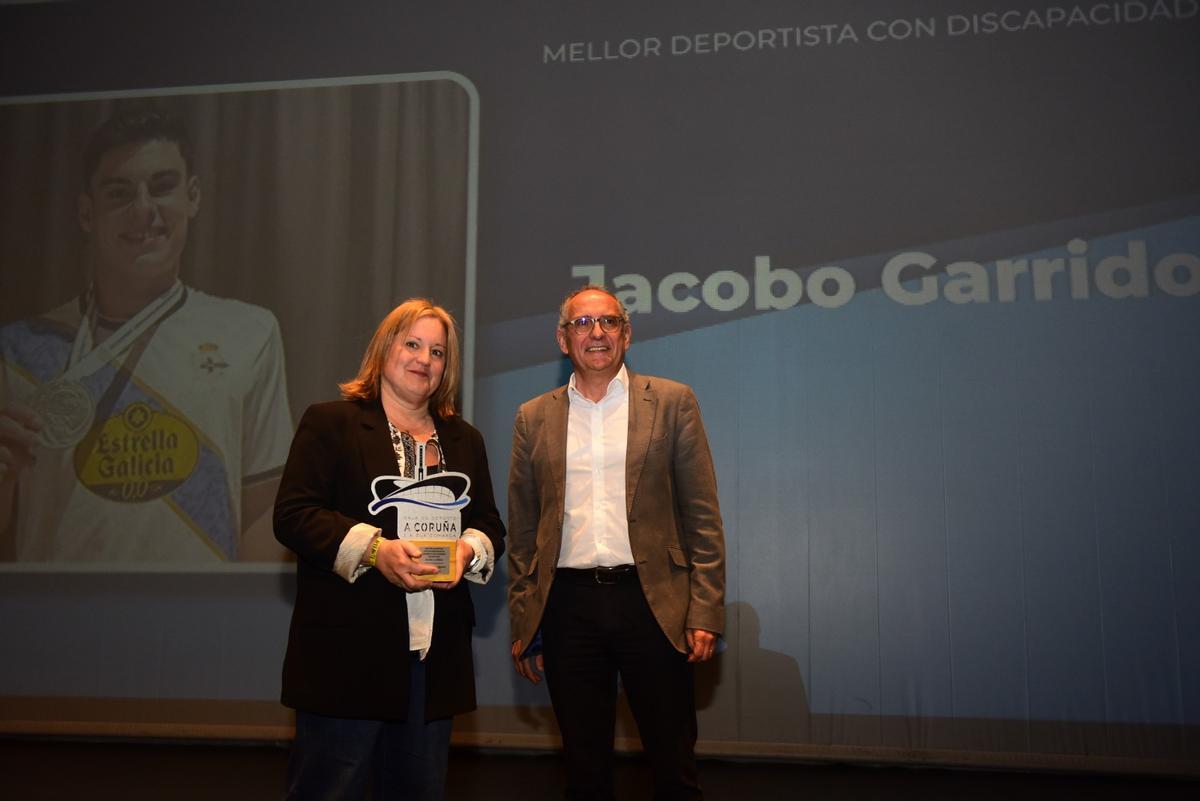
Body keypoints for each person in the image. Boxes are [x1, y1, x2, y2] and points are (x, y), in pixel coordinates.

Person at [0, 106, 293, 562]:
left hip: (196, 623)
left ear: (192, 196)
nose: (143, 211)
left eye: (162, 187)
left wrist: (243, 625)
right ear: (85, 212)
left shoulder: (249, 333)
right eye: (119, 193)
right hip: (55, 623)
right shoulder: (17, 351)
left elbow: (265, 512)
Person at [274, 298, 505, 801]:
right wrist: (376, 551)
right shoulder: (331, 423)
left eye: (438, 352)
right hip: (344, 656)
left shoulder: (465, 440)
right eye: (413, 344)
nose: (425, 359)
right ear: (385, 350)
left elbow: (488, 523)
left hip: (433, 657)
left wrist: (468, 552)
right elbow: (294, 515)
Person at [507, 285, 725, 801]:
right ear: (563, 340)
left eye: (608, 322)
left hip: (655, 604)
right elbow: (522, 529)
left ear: (627, 334)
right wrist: (524, 617)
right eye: (582, 324)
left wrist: (706, 610)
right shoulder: (532, 417)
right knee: (584, 770)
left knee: (673, 765)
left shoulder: (673, 403)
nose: (596, 333)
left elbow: (703, 516)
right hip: (567, 608)